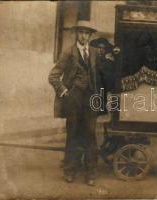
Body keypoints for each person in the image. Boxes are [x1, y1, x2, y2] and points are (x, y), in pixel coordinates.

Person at [48, 20, 105, 186]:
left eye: (87, 33)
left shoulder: (95, 52)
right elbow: (53, 76)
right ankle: (70, 171)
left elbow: (100, 73)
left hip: (91, 100)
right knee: (72, 135)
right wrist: (64, 92)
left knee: (90, 135)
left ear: (90, 35)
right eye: (81, 32)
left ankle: (91, 174)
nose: (84, 36)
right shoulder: (68, 52)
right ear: (76, 34)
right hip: (74, 99)